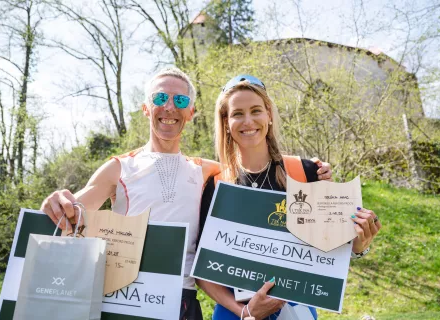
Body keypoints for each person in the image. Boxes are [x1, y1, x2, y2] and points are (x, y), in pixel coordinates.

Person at [40, 68, 333, 320]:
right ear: (146, 108)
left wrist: (311, 170)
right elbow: (73, 210)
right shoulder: (118, 168)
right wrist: (58, 202)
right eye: (159, 98)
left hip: (183, 302)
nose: (169, 107)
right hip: (125, 298)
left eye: (180, 100)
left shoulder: (207, 172)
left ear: (190, 112)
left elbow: (257, 164)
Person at [197, 75, 382, 320]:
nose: (248, 121)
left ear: (269, 115)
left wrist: (359, 244)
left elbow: (333, 247)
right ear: (226, 122)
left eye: (256, 110)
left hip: (296, 310)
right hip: (237, 312)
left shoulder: (305, 172)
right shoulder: (216, 183)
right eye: (237, 113)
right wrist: (245, 312)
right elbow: (203, 271)